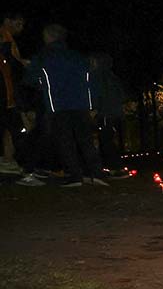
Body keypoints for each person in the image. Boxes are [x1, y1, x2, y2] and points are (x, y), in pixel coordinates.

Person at [22, 24, 109, 187]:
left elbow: (31, 79)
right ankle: (96, 174)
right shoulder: (77, 57)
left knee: (65, 141)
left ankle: (75, 176)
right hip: (81, 104)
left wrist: (43, 83)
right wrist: (93, 103)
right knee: (86, 140)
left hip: (58, 104)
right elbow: (91, 80)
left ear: (48, 37)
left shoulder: (44, 56)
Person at [88, 52, 130, 178]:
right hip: (114, 113)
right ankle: (114, 167)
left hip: (106, 113)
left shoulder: (99, 76)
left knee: (106, 140)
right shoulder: (112, 76)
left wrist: (95, 108)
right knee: (108, 140)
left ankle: (116, 168)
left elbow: (99, 94)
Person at [0, 12, 28, 175]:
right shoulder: (4, 38)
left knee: (11, 125)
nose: (21, 28)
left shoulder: (10, 39)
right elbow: (9, 63)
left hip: (9, 89)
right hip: (4, 88)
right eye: (18, 24)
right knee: (12, 124)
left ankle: (7, 160)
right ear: (7, 20)